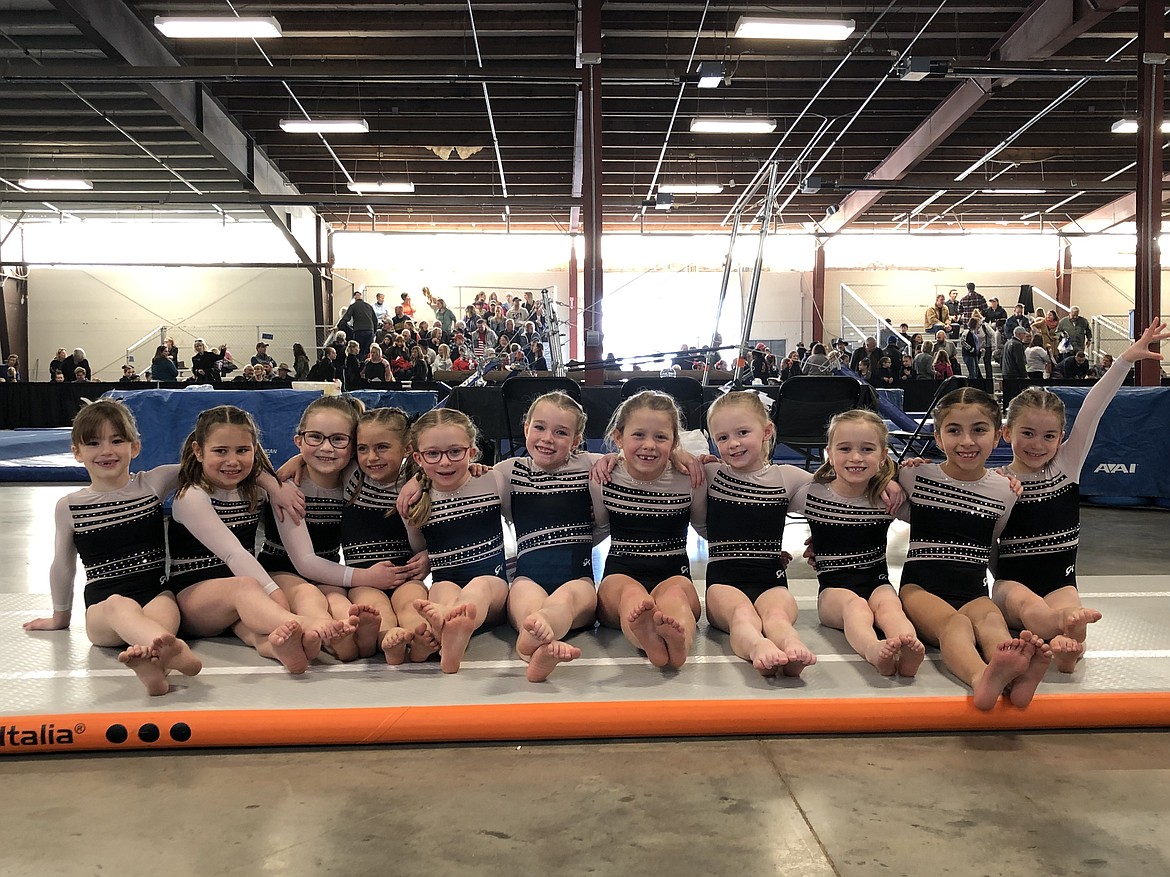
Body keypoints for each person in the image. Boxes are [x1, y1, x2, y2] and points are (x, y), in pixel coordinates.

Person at [992, 318, 1169, 674]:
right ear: (1007, 432)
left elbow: (1094, 407)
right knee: (1030, 609)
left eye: (1048, 436)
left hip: (1061, 579)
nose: (1037, 445)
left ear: (1061, 437)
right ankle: (1053, 633)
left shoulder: (1066, 467)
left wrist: (1125, 361)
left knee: (1074, 616)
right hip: (1012, 584)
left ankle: (1067, 649)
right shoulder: (997, 481)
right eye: (1027, 433)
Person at [23, 400, 202, 695]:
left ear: (135, 447)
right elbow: (62, 565)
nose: (106, 450)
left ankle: (154, 670)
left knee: (162, 617)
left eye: (117, 440)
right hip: (103, 610)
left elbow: (211, 465)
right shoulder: (70, 507)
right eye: (93, 443)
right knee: (122, 604)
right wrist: (60, 617)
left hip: (156, 593)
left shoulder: (152, 484)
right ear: (77, 453)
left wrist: (289, 468)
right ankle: (176, 653)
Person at [897, 388, 1051, 710]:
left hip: (973, 589)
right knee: (955, 625)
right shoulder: (915, 474)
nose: (967, 441)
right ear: (938, 438)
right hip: (920, 588)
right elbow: (875, 500)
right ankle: (981, 677)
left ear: (997, 437)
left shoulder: (1004, 490)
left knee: (992, 622)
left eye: (979, 430)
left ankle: (1017, 678)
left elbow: (992, 538)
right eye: (954, 430)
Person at [168, 406, 351, 673]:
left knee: (253, 630)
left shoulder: (254, 489)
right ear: (198, 451)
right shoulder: (192, 496)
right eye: (221, 451)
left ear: (254, 449)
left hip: (238, 598)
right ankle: (301, 623)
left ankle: (284, 648)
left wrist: (278, 483)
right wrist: (276, 597)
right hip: (194, 599)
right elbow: (234, 555)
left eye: (242, 450)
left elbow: (278, 469)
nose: (232, 461)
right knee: (245, 588)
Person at [263, 397, 414, 663]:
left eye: (338, 440)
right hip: (282, 570)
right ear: (299, 440)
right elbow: (305, 563)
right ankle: (333, 633)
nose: (326, 448)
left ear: (352, 448)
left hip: (329, 573)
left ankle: (352, 638)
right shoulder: (290, 489)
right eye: (315, 438)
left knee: (341, 602)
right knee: (309, 595)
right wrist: (366, 577)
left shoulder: (354, 475)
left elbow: (416, 460)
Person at [794, 410, 924, 677]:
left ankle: (908, 645)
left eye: (867, 449)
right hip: (833, 591)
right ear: (829, 453)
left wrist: (911, 473)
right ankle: (872, 649)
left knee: (891, 606)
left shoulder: (886, 499)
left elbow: (934, 513)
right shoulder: (812, 494)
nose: (855, 457)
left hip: (876, 581)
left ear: (882, 455)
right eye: (845, 449)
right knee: (856, 607)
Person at [701, 392, 818, 677]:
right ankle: (757, 648)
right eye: (723, 438)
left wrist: (824, 540)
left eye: (743, 432)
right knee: (742, 615)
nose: (734, 443)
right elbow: (671, 462)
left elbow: (838, 494)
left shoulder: (787, 477)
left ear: (767, 431)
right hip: (723, 583)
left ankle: (791, 646)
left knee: (777, 618)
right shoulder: (710, 474)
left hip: (771, 580)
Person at [590, 391, 704, 670]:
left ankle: (679, 641)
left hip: (674, 574)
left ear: (675, 442)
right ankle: (649, 639)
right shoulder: (604, 477)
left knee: (676, 596)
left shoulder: (691, 478)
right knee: (631, 595)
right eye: (638, 435)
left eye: (661, 438)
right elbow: (601, 528)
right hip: (620, 574)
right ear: (618, 438)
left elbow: (704, 527)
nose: (649, 445)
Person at [497, 392, 601, 681]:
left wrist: (683, 455)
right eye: (539, 427)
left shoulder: (592, 466)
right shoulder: (506, 473)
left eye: (561, 432)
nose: (547, 438)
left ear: (577, 440)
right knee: (525, 602)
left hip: (577, 580)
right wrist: (418, 481)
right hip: (527, 576)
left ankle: (537, 637)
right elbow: (459, 478)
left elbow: (637, 458)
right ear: (525, 427)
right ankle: (537, 644)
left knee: (565, 601)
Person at [401, 409, 510, 673]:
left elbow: (519, 523)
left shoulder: (491, 480)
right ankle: (446, 634)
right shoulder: (415, 500)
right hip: (446, 579)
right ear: (418, 457)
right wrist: (428, 557)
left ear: (472, 452)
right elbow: (419, 549)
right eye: (433, 454)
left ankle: (449, 626)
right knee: (441, 592)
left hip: (493, 588)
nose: (445, 462)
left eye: (455, 452)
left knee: (479, 587)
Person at [342, 407, 432, 661]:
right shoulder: (351, 476)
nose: (371, 457)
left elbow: (417, 547)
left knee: (412, 604)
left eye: (382, 447)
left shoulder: (414, 483)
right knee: (375, 609)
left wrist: (409, 518)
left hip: (404, 574)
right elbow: (316, 457)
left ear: (406, 448)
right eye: (362, 449)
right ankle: (389, 639)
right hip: (364, 577)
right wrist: (297, 460)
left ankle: (420, 639)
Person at [338, 288, 378, 357]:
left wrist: (339, 326)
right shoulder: (369, 306)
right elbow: (375, 321)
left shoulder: (353, 306)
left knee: (358, 351)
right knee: (368, 351)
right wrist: (373, 332)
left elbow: (346, 318)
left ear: (354, 298)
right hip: (369, 330)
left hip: (358, 331)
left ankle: (359, 365)